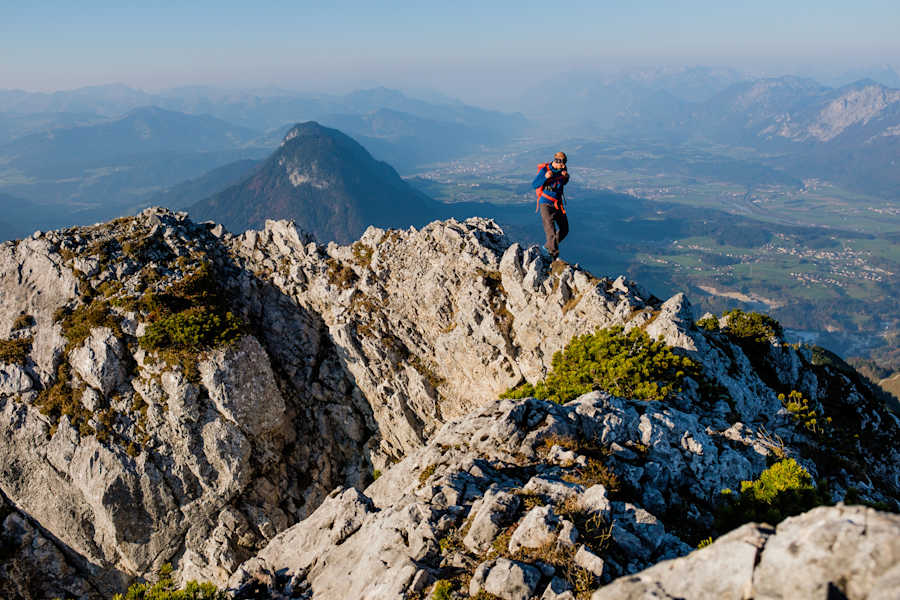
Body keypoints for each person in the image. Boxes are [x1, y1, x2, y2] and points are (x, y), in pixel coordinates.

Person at [532, 151, 569, 260]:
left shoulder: (563, 170)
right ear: (556, 161)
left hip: (557, 203)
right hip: (546, 204)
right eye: (561, 164)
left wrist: (566, 177)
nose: (563, 167)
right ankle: (553, 256)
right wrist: (545, 177)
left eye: (564, 165)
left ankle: (548, 246)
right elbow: (534, 184)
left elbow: (562, 183)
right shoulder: (545, 170)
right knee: (551, 231)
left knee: (565, 229)